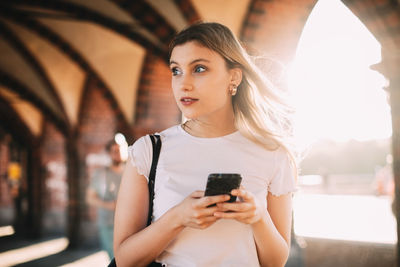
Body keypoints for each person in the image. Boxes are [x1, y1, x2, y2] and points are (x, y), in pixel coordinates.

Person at [114, 22, 297, 267]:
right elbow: (125, 259)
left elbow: (275, 263)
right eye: (176, 70)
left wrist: (258, 217)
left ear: (234, 76)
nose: (183, 83)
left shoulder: (274, 154)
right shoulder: (148, 151)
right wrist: (177, 218)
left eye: (199, 68)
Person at [86, 139, 124, 259]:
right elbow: (90, 198)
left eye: (120, 150)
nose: (118, 154)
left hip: (127, 222)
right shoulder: (101, 174)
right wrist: (110, 205)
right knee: (114, 258)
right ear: (109, 153)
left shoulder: (131, 171)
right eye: (114, 151)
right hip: (108, 224)